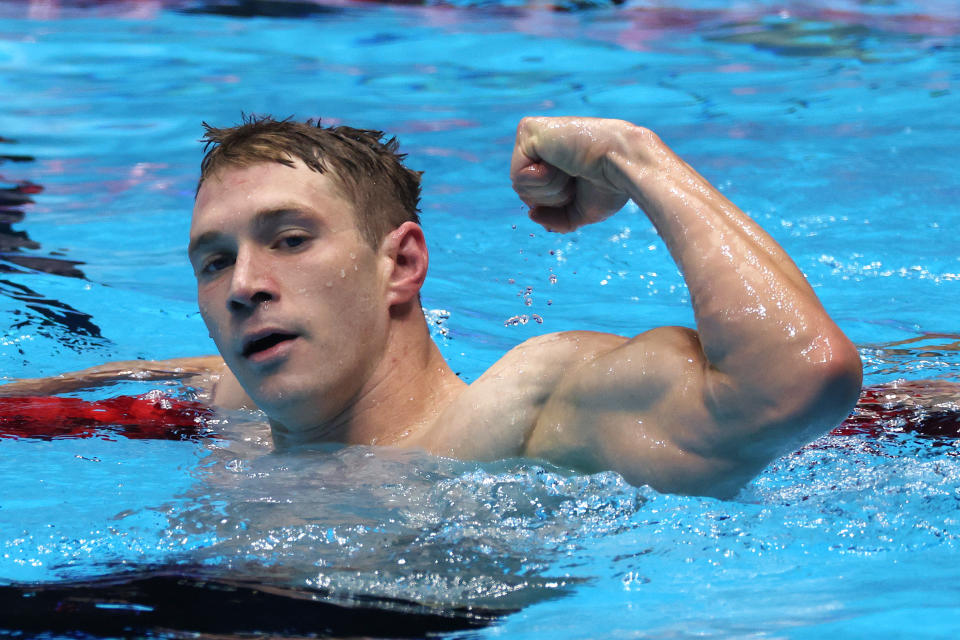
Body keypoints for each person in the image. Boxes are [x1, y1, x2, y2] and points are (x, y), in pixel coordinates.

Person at [1, 116, 863, 498]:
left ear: (401, 264)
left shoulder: (528, 419)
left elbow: (795, 381)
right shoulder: (236, 409)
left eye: (290, 239)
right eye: (214, 259)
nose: (241, 285)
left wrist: (631, 158)